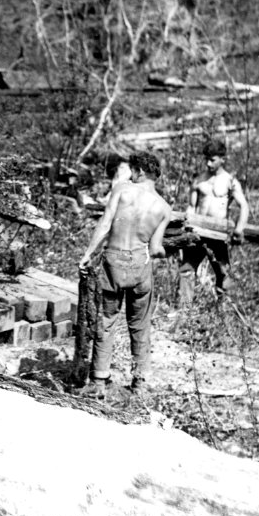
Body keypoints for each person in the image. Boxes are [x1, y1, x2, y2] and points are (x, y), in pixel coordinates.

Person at [78, 151, 171, 397]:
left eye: (132, 170)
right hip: (140, 267)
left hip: (113, 262)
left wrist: (88, 252)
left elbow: (106, 223)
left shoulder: (122, 190)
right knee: (140, 325)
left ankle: (99, 381)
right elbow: (155, 248)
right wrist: (164, 251)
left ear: (139, 171)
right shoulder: (164, 208)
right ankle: (139, 384)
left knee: (106, 320)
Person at [179, 139, 250, 302]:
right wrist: (186, 229)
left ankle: (223, 309)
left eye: (212, 160)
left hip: (218, 235)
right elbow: (191, 206)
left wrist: (239, 230)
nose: (208, 163)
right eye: (206, 159)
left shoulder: (230, 181)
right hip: (197, 233)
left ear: (222, 159)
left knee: (223, 272)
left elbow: (244, 206)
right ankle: (185, 310)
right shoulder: (199, 180)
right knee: (186, 269)